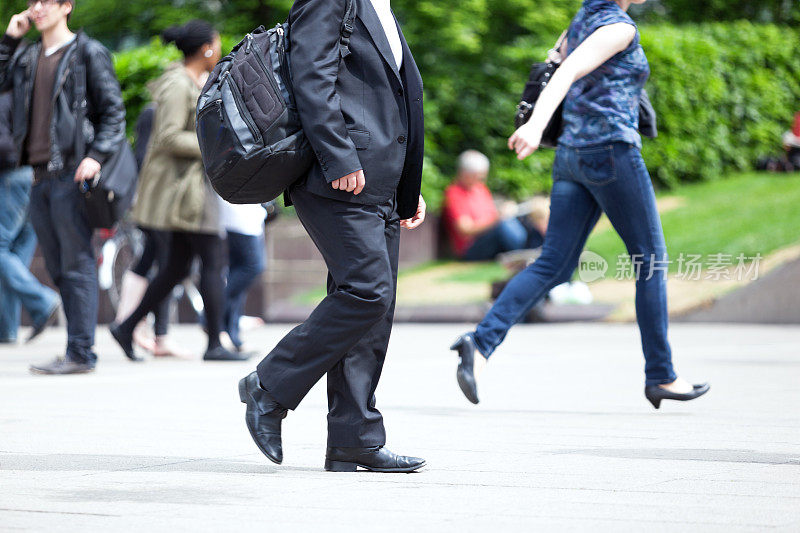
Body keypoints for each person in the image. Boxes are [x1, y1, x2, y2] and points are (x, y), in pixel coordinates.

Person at [451, 0, 710, 409]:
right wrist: (535, 126)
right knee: (651, 260)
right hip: (610, 153)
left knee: (553, 264)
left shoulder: (581, 19)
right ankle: (661, 374)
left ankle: (479, 343)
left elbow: (555, 63)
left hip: (571, 157)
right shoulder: (617, 27)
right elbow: (567, 72)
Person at [237, 0, 427, 473]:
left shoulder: (381, 7)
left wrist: (408, 187)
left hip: (380, 180)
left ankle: (353, 438)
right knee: (368, 291)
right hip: (338, 176)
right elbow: (310, 76)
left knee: (373, 309)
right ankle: (268, 385)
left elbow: (390, 99)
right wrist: (338, 157)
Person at [109, 20, 249, 362]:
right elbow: (168, 137)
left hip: (190, 191)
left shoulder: (190, 81)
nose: (218, 48)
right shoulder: (176, 85)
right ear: (206, 49)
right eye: (216, 43)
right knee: (213, 260)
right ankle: (215, 344)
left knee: (175, 267)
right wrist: (217, 146)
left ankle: (126, 329)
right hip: (184, 195)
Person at [1, 0, 127, 374]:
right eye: (32, 2)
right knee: (57, 266)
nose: (36, 8)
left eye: (46, 1)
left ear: (66, 6)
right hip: (37, 174)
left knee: (77, 263)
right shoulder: (26, 58)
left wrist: (97, 155)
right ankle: (76, 349)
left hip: (73, 172)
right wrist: (9, 39)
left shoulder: (88, 52)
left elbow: (113, 111)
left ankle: (81, 352)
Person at [113, 104, 184, 358]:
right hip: (157, 205)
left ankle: (128, 323)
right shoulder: (155, 112)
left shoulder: (156, 112)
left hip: (157, 203)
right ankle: (158, 334)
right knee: (167, 266)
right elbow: (143, 159)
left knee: (150, 260)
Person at [0, 91, 60, 345]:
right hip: (34, 176)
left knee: (3, 251)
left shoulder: (5, 98)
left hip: (11, 178)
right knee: (13, 258)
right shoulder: (33, 94)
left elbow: (4, 146)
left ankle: (43, 301)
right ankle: (7, 329)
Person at [443, 150, 545, 260]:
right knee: (503, 225)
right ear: (465, 174)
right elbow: (465, 229)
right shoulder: (454, 193)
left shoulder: (480, 189)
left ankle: (536, 248)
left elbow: (491, 215)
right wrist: (497, 218)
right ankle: (525, 251)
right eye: (479, 177)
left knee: (529, 216)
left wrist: (504, 211)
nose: (482, 180)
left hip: (490, 237)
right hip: (471, 247)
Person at [219, 201, 268, 353]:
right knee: (251, 267)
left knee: (238, 271)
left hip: (247, 213)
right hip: (240, 213)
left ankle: (233, 335)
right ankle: (211, 317)